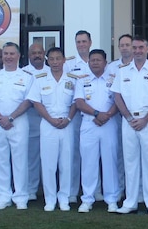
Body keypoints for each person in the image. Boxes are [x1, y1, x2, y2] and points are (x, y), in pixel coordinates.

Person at [112, 36, 148, 215]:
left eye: (140, 48)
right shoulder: (122, 71)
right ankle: (131, 201)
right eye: (134, 47)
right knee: (130, 162)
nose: (137, 51)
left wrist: (145, 119)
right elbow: (117, 96)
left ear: (147, 49)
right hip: (128, 122)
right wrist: (129, 118)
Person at [0, 42, 33, 210]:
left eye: (12, 54)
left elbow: (28, 101)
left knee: (20, 160)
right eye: (6, 54)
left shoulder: (26, 76)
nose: (8, 57)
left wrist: (10, 118)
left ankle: (21, 197)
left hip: (18, 123)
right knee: (0, 160)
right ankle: (3, 197)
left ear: (18, 56)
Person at [29, 46, 78, 211]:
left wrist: (69, 119)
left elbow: (75, 102)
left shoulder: (72, 79)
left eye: (58, 58)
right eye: (52, 59)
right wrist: (50, 119)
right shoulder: (40, 79)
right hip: (48, 124)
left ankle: (63, 197)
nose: (55, 62)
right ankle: (50, 199)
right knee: (49, 164)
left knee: (66, 163)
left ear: (64, 60)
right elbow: (36, 102)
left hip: (67, 124)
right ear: (47, 61)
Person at [74, 49, 120, 212]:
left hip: (109, 123)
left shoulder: (114, 78)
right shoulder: (82, 79)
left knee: (110, 162)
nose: (95, 63)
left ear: (105, 63)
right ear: (88, 62)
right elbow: (79, 102)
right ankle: (87, 199)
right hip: (89, 123)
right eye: (92, 60)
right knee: (89, 162)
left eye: (98, 60)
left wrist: (106, 115)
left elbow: (118, 101)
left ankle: (112, 199)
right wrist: (96, 114)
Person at [65, 31, 93, 203]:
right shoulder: (68, 64)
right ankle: (73, 192)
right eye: (78, 42)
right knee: (74, 154)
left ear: (90, 42)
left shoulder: (98, 60)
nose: (81, 44)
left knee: (92, 155)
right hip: (74, 114)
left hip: (92, 115)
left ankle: (95, 190)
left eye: (84, 41)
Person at [107, 33, 134, 197]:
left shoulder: (140, 64)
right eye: (121, 45)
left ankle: (137, 190)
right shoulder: (112, 67)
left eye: (127, 45)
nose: (124, 48)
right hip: (116, 116)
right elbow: (110, 92)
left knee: (134, 155)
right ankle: (120, 188)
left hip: (135, 117)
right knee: (119, 155)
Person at [23, 41, 47, 201]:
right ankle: (31, 189)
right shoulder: (23, 73)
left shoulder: (52, 70)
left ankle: (50, 188)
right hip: (30, 117)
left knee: (50, 157)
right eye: (34, 53)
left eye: (39, 53)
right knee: (31, 157)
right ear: (29, 55)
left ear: (44, 54)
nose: (37, 56)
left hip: (48, 119)